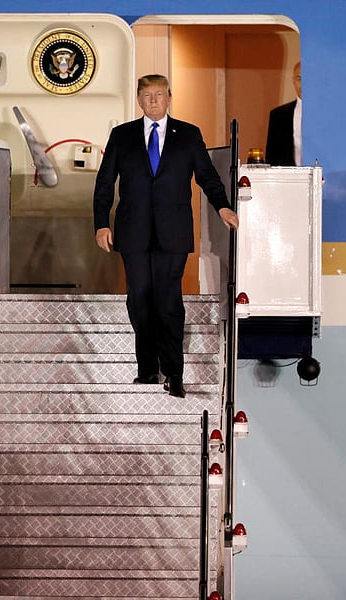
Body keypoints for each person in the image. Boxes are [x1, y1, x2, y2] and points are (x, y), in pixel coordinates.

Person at [93, 74, 239, 398]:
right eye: (147, 95)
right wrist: (101, 223)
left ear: (170, 97)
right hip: (133, 232)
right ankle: (147, 369)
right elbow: (104, 183)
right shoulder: (122, 135)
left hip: (172, 232)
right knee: (140, 297)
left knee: (168, 300)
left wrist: (223, 207)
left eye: (159, 94)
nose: (154, 100)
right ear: (139, 100)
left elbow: (208, 177)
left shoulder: (188, 135)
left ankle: (174, 373)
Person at [264, 61, 302, 166]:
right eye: (299, 79)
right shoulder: (278, 116)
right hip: (288, 179)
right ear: (293, 81)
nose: (303, 84)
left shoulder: (327, 115)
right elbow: (271, 158)